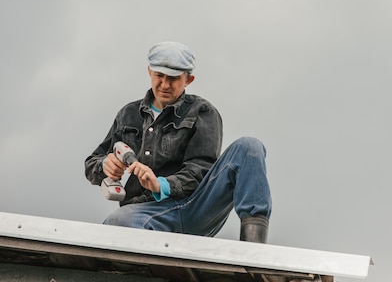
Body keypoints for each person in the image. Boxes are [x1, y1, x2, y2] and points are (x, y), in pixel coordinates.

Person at [84, 41, 272, 243]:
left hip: (196, 207)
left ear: (188, 80)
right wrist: (105, 165)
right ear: (149, 72)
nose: (164, 85)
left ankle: (254, 249)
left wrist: (161, 185)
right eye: (159, 76)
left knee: (249, 147)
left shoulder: (203, 112)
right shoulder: (128, 114)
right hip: (144, 213)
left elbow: (201, 169)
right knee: (117, 222)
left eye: (173, 79)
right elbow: (92, 163)